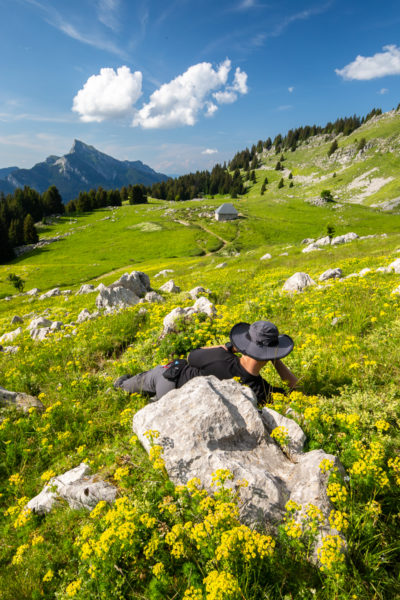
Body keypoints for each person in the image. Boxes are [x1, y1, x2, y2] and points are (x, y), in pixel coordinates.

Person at [114, 320, 298, 405]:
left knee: (143, 379)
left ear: (244, 344)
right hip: (181, 401)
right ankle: (153, 402)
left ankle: (122, 385)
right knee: (154, 400)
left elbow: (192, 356)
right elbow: (295, 390)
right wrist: (275, 360)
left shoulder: (220, 357)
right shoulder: (258, 389)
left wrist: (228, 347)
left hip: (171, 377)